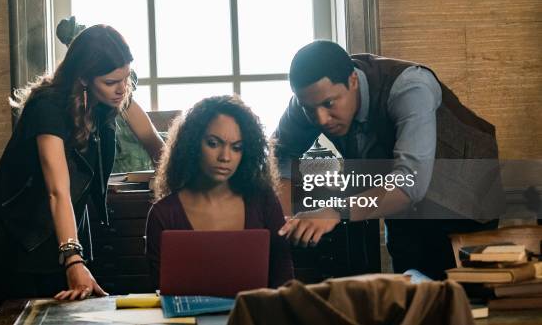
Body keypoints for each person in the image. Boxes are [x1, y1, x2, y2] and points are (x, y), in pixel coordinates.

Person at [274, 40, 503, 280]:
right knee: (408, 293)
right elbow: (281, 158)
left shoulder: (411, 87)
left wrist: (334, 212)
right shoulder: (310, 102)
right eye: (309, 109)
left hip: (465, 201)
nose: (321, 119)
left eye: (330, 104)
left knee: (463, 301)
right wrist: (285, 220)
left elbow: (408, 183)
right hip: (402, 208)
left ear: (352, 81)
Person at [0, 24, 164, 303]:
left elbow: (153, 142)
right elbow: (57, 190)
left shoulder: (114, 94)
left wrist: (186, 182)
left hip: (59, 234)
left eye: (126, 78)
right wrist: (73, 259)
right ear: (84, 78)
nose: (122, 89)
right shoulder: (47, 106)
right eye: (111, 82)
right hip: (12, 241)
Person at [145, 95, 294, 289]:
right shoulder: (163, 214)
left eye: (236, 147)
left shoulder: (263, 202)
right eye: (213, 144)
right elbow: (162, 288)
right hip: (188, 319)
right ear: (192, 144)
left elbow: (284, 281)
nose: (225, 157)